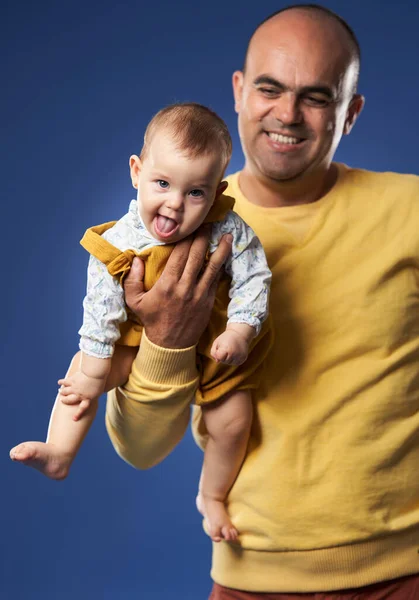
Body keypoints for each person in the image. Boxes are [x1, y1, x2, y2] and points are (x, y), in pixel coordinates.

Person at [100, 4, 419, 599]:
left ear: (350, 113)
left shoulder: (410, 212)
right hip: (252, 579)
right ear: (240, 92)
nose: (287, 115)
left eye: (316, 97)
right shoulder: (166, 235)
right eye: (269, 88)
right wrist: (169, 341)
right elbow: (139, 449)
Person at [9, 103, 272, 543]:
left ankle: (211, 495)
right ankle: (60, 451)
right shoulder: (120, 241)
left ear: (216, 191)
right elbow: (101, 308)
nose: (174, 204)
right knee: (79, 378)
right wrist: (96, 369)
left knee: (233, 422)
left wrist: (241, 330)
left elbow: (254, 275)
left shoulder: (229, 228)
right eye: (163, 183)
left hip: (218, 348)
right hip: (134, 347)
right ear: (137, 171)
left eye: (195, 193)